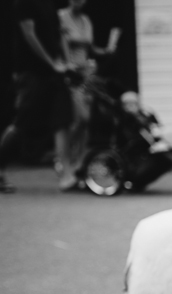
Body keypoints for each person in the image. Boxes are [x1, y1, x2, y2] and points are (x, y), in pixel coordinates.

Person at [0, 0, 71, 193]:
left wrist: (65, 62)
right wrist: (51, 63)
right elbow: (29, 34)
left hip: (53, 73)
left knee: (62, 119)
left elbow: (59, 35)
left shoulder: (50, 4)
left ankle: (66, 174)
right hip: (31, 73)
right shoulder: (24, 3)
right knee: (22, 124)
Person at [57, 0, 104, 191]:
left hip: (87, 76)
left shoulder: (85, 19)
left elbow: (90, 49)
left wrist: (105, 51)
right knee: (78, 120)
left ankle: (78, 166)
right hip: (72, 75)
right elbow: (61, 46)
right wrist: (68, 68)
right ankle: (64, 162)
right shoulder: (61, 17)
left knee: (86, 123)